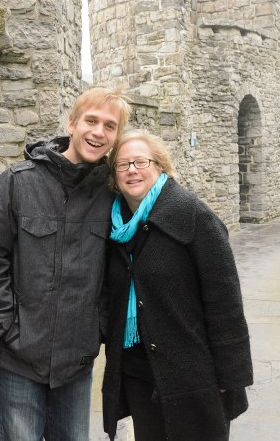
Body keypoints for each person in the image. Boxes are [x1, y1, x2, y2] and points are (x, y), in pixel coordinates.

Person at [0, 87, 131, 441]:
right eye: (91, 120)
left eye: (110, 125)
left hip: (76, 361)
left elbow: (117, 269)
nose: (98, 132)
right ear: (71, 123)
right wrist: (3, 326)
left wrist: (98, 329)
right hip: (18, 356)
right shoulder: (18, 182)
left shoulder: (110, 196)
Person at [101, 130, 253, 441]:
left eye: (140, 161)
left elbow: (224, 300)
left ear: (160, 166)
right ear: (114, 176)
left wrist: (231, 376)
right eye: (122, 164)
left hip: (192, 372)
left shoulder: (191, 214)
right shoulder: (113, 226)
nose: (131, 170)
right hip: (139, 371)